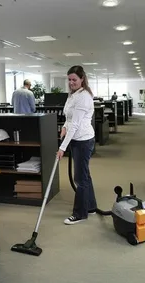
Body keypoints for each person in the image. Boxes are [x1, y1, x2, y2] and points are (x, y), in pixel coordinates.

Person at [56, 65, 97, 225]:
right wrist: (64, 127)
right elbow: (69, 117)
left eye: (74, 79)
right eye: (69, 79)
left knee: (80, 177)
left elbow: (76, 124)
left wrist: (61, 148)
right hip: (76, 139)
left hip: (83, 140)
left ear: (82, 79)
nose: (71, 82)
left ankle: (80, 213)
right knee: (84, 175)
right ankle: (91, 206)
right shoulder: (73, 95)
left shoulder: (84, 97)